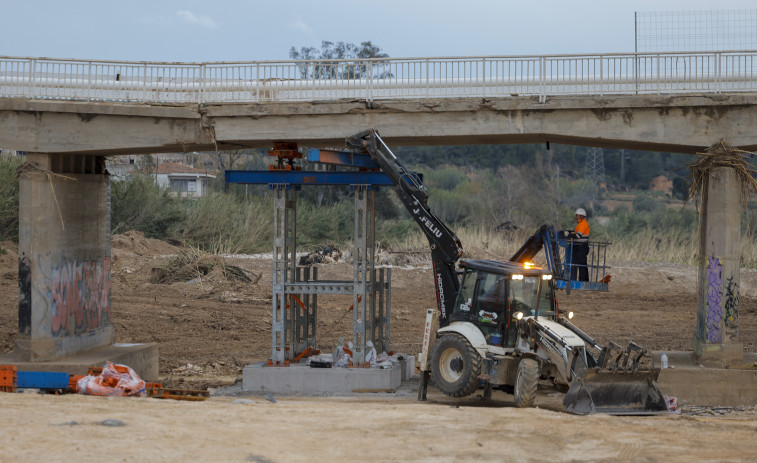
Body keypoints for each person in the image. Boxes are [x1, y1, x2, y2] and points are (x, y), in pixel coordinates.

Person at [569, 208, 590, 281]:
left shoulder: (583, 224)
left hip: (582, 247)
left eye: (577, 215)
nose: (575, 217)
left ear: (581, 216)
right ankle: (581, 280)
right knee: (579, 264)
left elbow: (578, 236)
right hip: (579, 247)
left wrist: (568, 235)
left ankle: (583, 281)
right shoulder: (580, 224)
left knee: (582, 265)